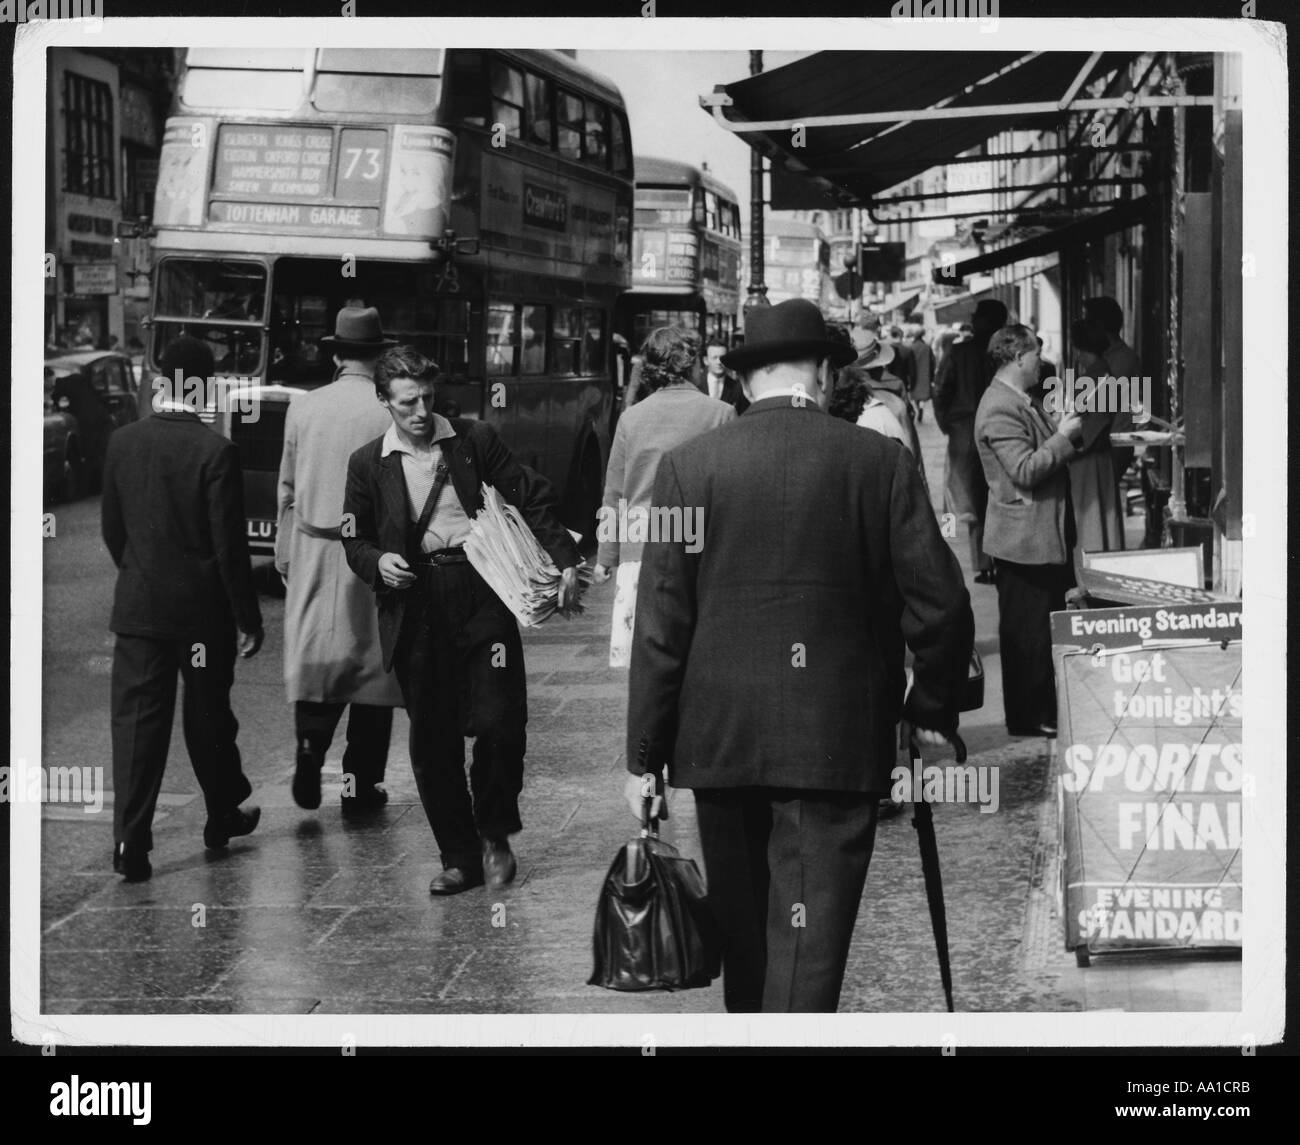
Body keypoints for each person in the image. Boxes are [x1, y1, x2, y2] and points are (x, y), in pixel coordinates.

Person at [626, 298, 975, 1013]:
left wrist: (642, 757)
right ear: (822, 370)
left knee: (749, 951)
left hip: (720, 743)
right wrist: (929, 709)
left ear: (744, 379)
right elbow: (941, 604)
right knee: (807, 950)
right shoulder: (877, 461)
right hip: (835, 742)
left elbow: (661, 626)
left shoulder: (689, 469)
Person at [341, 346, 581, 896]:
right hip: (415, 601)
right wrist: (378, 561)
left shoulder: (474, 441)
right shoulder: (366, 463)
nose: (420, 411)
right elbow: (354, 536)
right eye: (407, 403)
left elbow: (528, 499)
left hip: (480, 588)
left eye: (427, 398)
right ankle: (458, 855)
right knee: (433, 736)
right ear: (385, 402)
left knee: (500, 722)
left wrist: (565, 560)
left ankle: (495, 832)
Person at [101, 336, 264, 882]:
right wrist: (248, 618)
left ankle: (131, 844)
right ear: (204, 385)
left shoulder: (122, 442)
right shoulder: (215, 451)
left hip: (140, 611)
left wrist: (141, 572)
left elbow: (112, 530)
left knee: (137, 727)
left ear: (161, 380)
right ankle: (221, 815)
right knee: (208, 717)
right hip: (201, 618)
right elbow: (229, 549)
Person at [276, 307, 404, 816]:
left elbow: (286, 487)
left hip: (314, 544)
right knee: (373, 666)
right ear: (379, 356)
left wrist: (287, 555)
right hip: (372, 552)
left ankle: (310, 747)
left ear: (335, 353)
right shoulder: (389, 409)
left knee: (317, 659)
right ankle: (359, 784)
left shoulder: (305, 408)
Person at [593, 328, 735, 667]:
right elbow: (732, 490)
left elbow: (614, 492)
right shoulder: (720, 413)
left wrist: (605, 557)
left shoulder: (631, 418)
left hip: (640, 550)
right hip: (699, 551)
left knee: (647, 663)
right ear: (693, 366)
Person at [974, 325, 1085, 738]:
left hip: (1037, 536)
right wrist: (1061, 437)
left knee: (1039, 627)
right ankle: (1027, 716)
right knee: (1027, 632)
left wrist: (1057, 430)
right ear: (1018, 357)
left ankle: (1039, 710)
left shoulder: (1020, 400)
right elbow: (1023, 470)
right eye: (1036, 354)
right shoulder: (1000, 407)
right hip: (1023, 540)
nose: (1042, 361)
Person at [932, 298, 1006, 586]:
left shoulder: (959, 352)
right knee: (997, 495)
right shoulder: (1002, 353)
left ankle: (983, 564)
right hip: (999, 428)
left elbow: (941, 390)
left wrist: (947, 424)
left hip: (964, 431)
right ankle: (999, 560)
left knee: (971, 500)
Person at [1063, 318, 1127, 553]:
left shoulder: (1090, 380)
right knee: (1102, 517)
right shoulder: (1105, 374)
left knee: (1087, 519)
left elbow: (1088, 425)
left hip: (1085, 457)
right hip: (1101, 457)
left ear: (1080, 349)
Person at [1082, 295, 1140, 482]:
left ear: (1099, 325)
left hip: (1113, 443)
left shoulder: (1121, 360)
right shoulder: (1108, 357)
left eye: (1088, 322)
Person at [700, 335, 749, 413]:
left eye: (722, 358)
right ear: (705, 360)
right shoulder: (696, 386)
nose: (719, 362)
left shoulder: (738, 388)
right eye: (714, 358)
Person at [905, 320, 935, 423]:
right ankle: (920, 408)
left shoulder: (910, 347)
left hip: (914, 374)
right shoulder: (927, 347)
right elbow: (932, 362)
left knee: (915, 394)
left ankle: (918, 408)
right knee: (923, 394)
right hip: (924, 374)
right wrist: (932, 376)